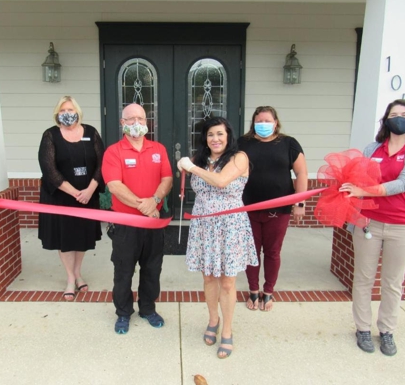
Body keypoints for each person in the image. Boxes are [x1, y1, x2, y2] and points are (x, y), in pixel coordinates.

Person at [339, 99, 405, 356]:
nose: (398, 118)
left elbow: (404, 183)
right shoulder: (372, 149)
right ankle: (363, 328)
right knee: (364, 278)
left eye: (404, 114)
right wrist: (348, 187)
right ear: (386, 120)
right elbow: (356, 177)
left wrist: (364, 190)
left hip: (402, 225)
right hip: (368, 223)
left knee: (392, 282)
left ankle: (387, 330)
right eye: (394, 114)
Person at [178, 116, 258, 359]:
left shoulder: (239, 157)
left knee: (227, 282)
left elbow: (222, 181)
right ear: (205, 138)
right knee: (210, 278)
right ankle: (213, 319)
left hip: (230, 225)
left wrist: (191, 168)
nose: (215, 139)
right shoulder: (200, 160)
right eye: (210, 134)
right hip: (204, 225)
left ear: (228, 136)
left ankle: (227, 330)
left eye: (220, 134)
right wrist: (189, 167)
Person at [102, 103, 173, 334]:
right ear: (122, 123)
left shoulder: (158, 149)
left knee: (152, 268)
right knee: (123, 270)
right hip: (126, 224)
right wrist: (146, 207)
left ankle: (148, 308)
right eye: (131, 119)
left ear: (146, 122)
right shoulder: (113, 152)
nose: (136, 123)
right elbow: (114, 185)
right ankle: (123, 313)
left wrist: (155, 200)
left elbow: (167, 179)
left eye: (141, 119)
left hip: (154, 222)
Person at [237, 106, 308, 311]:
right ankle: (253, 289)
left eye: (268, 121)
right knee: (251, 252)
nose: (264, 124)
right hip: (248, 208)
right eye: (259, 121)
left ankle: (268, 291)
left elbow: (301, 174)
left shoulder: (289, 143)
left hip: (279, 210)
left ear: (276, 122)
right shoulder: (243, 143)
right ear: (253, 123)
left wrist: (300, 203)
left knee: (273, 252)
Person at [38, 96, 104, 300]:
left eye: (71, 109)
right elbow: (49, 169)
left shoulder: (91, 132)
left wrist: (90, 190)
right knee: (65, 239)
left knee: (82, 237)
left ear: (78, 111)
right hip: (61, 197)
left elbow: (103, 163)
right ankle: (70, 278)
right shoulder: (50, 135)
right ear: (57, 113)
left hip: (88, 195)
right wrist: (75, 192)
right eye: (63, 110)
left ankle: (78, 273)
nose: (67, 113)